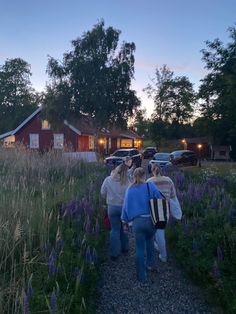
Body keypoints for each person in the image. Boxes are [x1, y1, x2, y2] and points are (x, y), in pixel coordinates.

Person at [121, 167, 162, 282]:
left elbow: (125, 206)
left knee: (139, 248)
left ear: (133, 176)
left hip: (137, 222)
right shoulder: (150, 186)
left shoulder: (130, 189)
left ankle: (141, 276)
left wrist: (124, 220)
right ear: (144, 176)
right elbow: (158, 199)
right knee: (150, 242)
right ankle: (150, 265)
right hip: (150, 221)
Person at [147, 164, 177, 262]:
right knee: (160, 231)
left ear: (152, 171)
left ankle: (163, 255)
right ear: (161, 170)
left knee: (157, 231)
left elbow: (146, 196)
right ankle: (160, 250)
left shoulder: (149, 181)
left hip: (153, 208)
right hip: (165, 207)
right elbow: (173, 195)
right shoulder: (168, 180)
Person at [101, 163, 130, 261]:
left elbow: (102, 193)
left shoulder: (108, 179)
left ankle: (114, 254)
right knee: (124, 227)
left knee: (114, 229)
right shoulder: (127, 181)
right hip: (124, 208)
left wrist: (108, 198)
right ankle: (125, 248)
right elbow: (130, 195)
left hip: (112, 207)